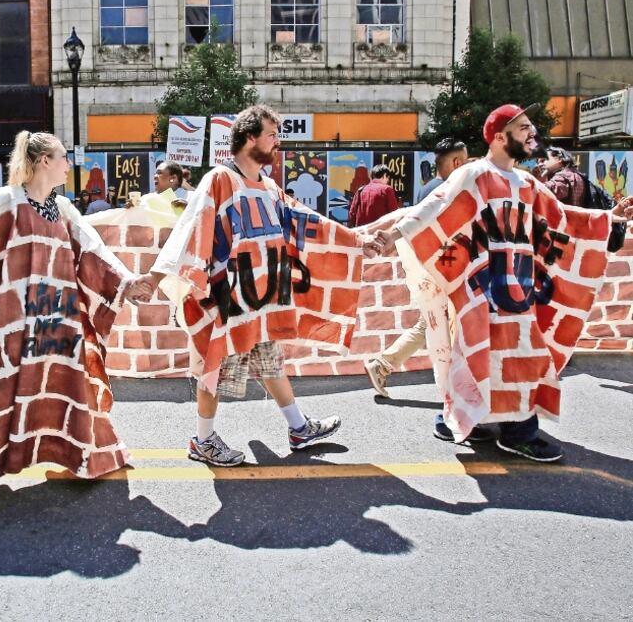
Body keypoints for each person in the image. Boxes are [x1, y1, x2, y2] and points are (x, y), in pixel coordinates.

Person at [376, 104, 633, 462]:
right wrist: (395, 234)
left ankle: (481, 422)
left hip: (518, 288)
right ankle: (511, 431)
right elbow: (435, 206)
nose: (532, 134)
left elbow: (563, 219)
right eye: (524, 127)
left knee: (511, 355)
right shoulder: (475, 175)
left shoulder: (527, 182)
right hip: (483, 286)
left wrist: (608, 218)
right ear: (499, 137)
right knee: (485, 353)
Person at [138, 105, 379, 466]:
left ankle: (298, 428)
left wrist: (357, 240)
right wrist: (155, 278)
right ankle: (202, 440)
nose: (277, 142)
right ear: (250, 138)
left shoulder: (268, 186)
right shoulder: (220, 179)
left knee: (270, 362)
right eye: (272, 135)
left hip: (261, 300)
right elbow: (189, 229)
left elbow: (307, 220)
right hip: (228, 300)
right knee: (214, 368)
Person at [0, 130, 151, 512]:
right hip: (15, 323)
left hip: (58, 323)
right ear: (43, 160)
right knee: (6, 390)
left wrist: (127, 283)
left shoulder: (63, 208)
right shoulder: (5, 201)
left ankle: (76, 453)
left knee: (64, 388)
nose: (68, 163)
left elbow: (94, 250)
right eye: (63, 156)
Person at [362, 138, 494, 441]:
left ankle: (384, 364)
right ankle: (457, 410)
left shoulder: (429, 189)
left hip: (439, 274)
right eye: (465, 159)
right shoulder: (450, 191)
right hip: (450, 275)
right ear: (457, 163)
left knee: (431, 325)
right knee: (448, 334)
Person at [418, 138, 467, 203]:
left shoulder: (423, 191)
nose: (466, 165)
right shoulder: (456, 191)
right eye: (465, 161)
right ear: (457, 163)